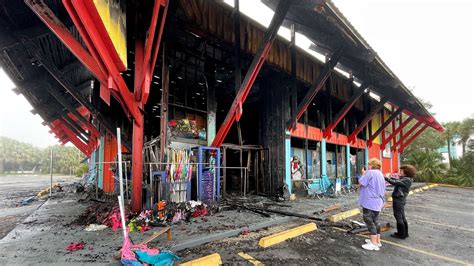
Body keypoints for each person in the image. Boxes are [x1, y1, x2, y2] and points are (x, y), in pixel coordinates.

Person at [358, 158, 386, 251]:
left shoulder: (370, 173)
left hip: (369, 201)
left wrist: (363, 174)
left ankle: (374, 244)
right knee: (375, 221)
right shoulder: (380, 173)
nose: (368, 165)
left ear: (371, 165)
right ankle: (377, 241)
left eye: (369, 164)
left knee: (369, 220)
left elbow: (361, 183)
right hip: (378, 201)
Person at [385, 165, 415, 239]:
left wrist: (385, 177)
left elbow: (395, 182)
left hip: (399, 200)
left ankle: (401, 234)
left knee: (398, 216)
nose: (399, 172)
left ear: (406, 172)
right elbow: (397, 180)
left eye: (401, 170)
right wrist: (389, 177)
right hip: (400, 200)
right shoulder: (406, 179)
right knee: (402, 216)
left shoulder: (406, 180)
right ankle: (405, 233)